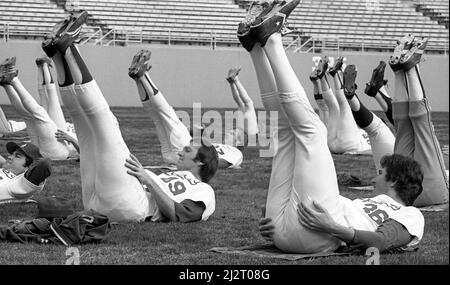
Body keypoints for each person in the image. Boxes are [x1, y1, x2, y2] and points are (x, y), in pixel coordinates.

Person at [241, 0, 425, 253]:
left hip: (320, 233)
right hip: (300, 231)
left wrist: (334, 228)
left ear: (396, 182)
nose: (374, 175)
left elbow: (382, 242)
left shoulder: (413, 214)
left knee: (313, 132)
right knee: (287, 133)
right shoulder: (379, 206)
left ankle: (271, 40)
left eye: (381, 173)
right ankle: (256, 48)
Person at [41, 11, 219, 222]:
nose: (182, 150)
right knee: (83, 125)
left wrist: (148, 179)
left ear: (200, 163)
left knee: (106, 123)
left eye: (189, 150)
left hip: (134, 206)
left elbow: (179, 215)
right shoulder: (174, 172)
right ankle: (57, 54)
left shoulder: (205, 191)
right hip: (102, 203)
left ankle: (69, 47)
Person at [342, 39, 448, 207]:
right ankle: (399, 70)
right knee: (403, 124)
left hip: (431, 192)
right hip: (401, 194)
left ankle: (410, 68)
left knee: (421, 125)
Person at [128, 49, 255, 169]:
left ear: (238, 141)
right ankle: (138, 79)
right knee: (157, 116)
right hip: (177, 155)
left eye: (233, 133)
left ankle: (143, 75)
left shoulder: (236, 152)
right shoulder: (220, 146)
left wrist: (197, 162)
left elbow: (221, 163)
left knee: (167, 113)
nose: (229, 132)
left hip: (186, 151)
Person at [0, 57, 78, 160]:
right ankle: (6, 84)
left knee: (39, 114)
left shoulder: (96, 137)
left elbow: (85, 154)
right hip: (48, 145)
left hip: (61, 152)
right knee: (29, 117)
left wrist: (71, 139)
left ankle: (12, 79)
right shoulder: (86, 129)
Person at [310, 56, 371, 154]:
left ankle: (334, 74)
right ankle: (322, 77)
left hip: (349, 143)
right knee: (333, 107)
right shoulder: (373, 136)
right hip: (335, 145)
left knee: (340, 106)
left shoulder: (370, 132)